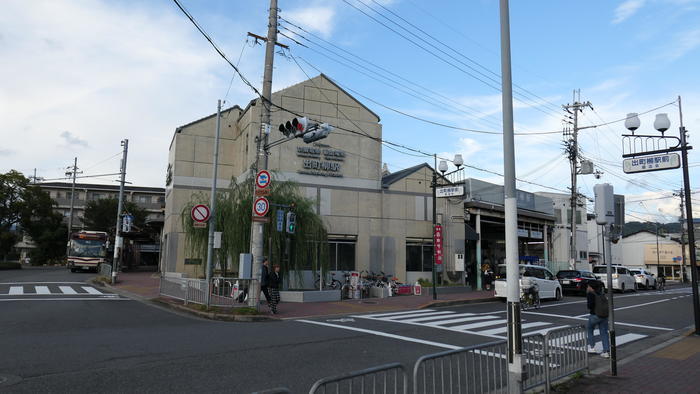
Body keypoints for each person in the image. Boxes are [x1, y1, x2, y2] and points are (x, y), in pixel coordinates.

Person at [586, 282, 610, 358]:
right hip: (604, 316)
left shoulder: (590, 294)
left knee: (590, 329)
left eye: (588, 286)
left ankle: (592, 347)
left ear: (591, 287)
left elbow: (590, 306)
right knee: (604, 333)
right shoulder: (601, 293)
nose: (587, 287)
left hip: (594, 315)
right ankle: (606, 351)